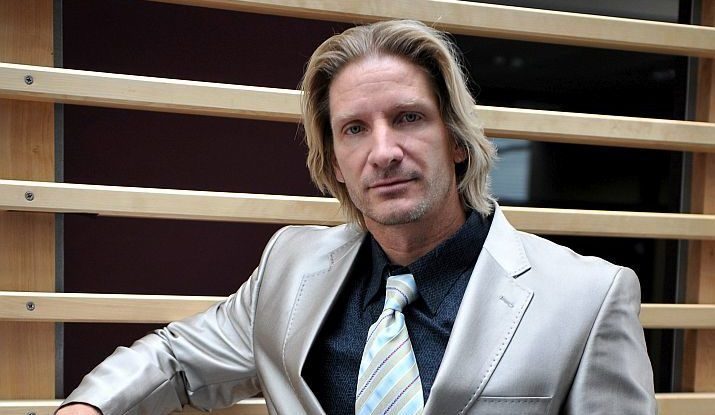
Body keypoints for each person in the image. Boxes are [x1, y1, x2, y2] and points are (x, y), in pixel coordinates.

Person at [56, 20, 656, 415]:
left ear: (456, 139)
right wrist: (88, 407)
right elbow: (176, 359)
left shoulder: (587, 297)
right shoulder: (290, 269)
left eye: (409, 118)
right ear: (335, 164)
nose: (384, 151)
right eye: (354, 129)